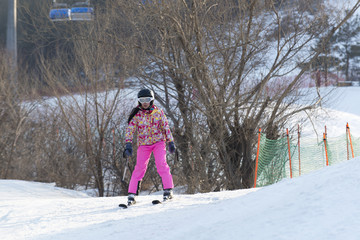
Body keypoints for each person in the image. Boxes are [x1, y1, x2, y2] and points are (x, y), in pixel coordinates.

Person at [123, 88, 176, 206]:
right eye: (142, 100)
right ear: (139, 101)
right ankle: (132, 195)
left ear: (152, 100)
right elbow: (130, 130)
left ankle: (168, 190)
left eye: (147, 99)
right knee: (139, 168)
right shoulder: (136, 114)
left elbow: (166, 128)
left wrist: (170, 142)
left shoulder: (158, 112)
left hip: (158, 142)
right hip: (144, 145)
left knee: (161, 164)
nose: (145, 102)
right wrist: (128, 144)